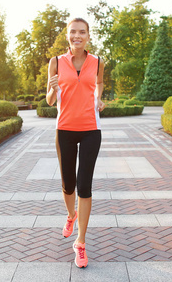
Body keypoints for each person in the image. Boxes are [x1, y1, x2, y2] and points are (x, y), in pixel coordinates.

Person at [46, 18, 105, 268]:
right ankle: (71, 215)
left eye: (82, 32)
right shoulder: (56, 62)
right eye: (73, 32)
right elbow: (50, 101)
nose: (77, 36)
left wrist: (99, 98)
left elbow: (99, 83)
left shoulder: (98, 62)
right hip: (65, 129)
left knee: (84, 186)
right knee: (68, 184)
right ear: (67, 36)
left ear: (88, 36)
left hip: (91, 129)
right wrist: (50, 89)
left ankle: (80, 243)